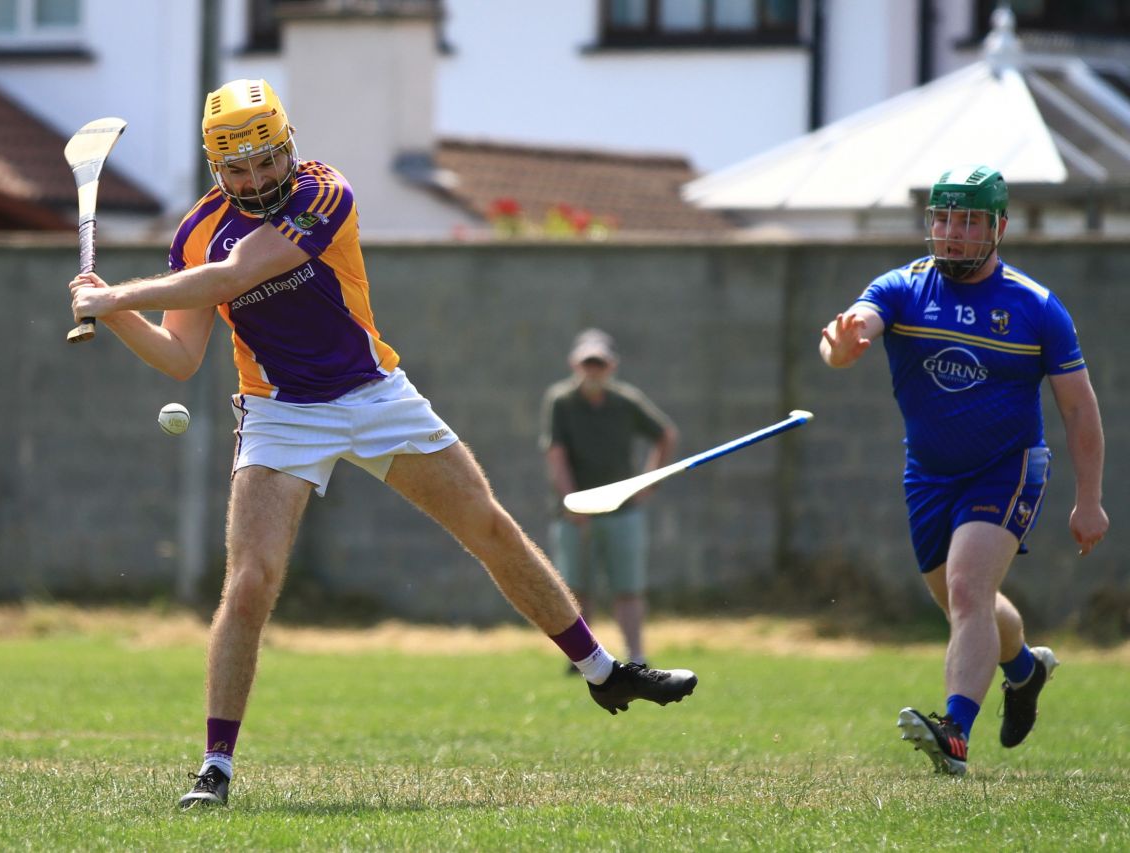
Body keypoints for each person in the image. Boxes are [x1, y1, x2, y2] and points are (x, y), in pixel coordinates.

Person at [68, 79, 698, 809]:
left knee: (488, 526)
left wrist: (117, 297)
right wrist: (109, 310)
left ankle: (602, 669)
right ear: (217, 168)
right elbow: (180, 358)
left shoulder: (324, 193)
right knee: (249, 584)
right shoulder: (196, 233)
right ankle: (215, 768)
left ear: (288, 147)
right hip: (280, 412)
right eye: (237, 169)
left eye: (266, 161)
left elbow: (240, 274)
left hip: (374, 395)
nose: (255, 179)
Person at [818, 165, 1107, 776]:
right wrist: (841, 347)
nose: (952, 232)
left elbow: (1079, 407)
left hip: (1008, 468)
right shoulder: (904, 287)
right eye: (944, 218)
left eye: (969, 220)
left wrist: (1090, 499)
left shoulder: (1035, 307)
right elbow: (853, 327)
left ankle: (954, 733)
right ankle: (1024, 671)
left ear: (998, 227)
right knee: (962, 603)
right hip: (928, 474)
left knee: (968, 590)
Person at [541, 329, 678, 669]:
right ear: (575, 364)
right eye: (587, 363)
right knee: (576, 590)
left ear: (611, 366)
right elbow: (556, 455)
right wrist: (573, 502)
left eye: (599, 363)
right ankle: (583, 659)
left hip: (621, 511)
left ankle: (637, 656)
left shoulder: (626, 401)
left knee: (627, 588)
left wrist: (649, 483)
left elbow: (665, 435)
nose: (593, 370)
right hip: (575, 514)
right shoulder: (561, 401)